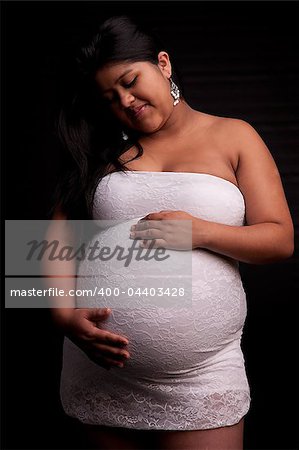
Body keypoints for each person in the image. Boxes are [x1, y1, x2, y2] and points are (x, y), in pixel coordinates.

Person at [49, 15, 294, 450]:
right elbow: (48, 241)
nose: (125, 101)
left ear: (163, 64)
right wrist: (62, 316)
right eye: (110, 96)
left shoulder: (234, 136)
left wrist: (199, 232)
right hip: (99, 371)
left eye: (130, 81)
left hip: (201, 375)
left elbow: (280, 240)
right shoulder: (99, 149)